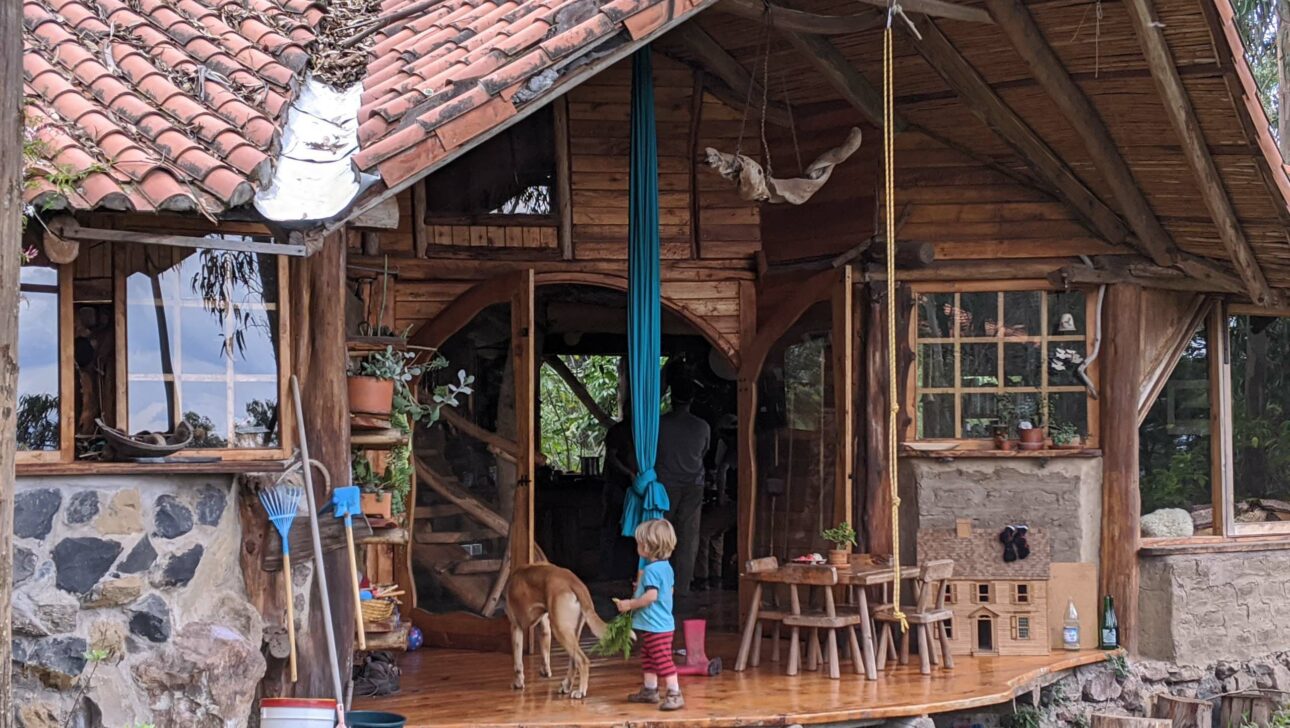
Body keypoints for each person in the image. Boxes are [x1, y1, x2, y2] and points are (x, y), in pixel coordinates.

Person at [614, 519, 684, 711]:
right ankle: (650, 690)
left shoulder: (652, 570)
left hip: (656, 626)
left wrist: (630, 604)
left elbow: (651, 596)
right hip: (660, 624)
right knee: (649, 657)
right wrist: (641, 588)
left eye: (639, 543)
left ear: (648, 546)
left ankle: (674, 693)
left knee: (662, 659)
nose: (637, 547)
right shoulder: (666, 567)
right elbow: (667, 592)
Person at [655, 379, 710, 595]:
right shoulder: (702, 426)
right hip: (693, 484)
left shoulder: (660, 424)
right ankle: (683, 586)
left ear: (671, 398)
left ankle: (658, 584)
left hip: (665, 484)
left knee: (660, 534)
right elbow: (704, 452)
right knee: (688, 536)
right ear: (692, 399)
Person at [599, 411, 635, 580]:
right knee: (612, 527)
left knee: (631, 529)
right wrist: (628, 473)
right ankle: (607, 571)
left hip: (633, 486)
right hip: (617, 485)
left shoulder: (640, 431)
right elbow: (612, 457)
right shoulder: (618, 431)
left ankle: (627, 570)